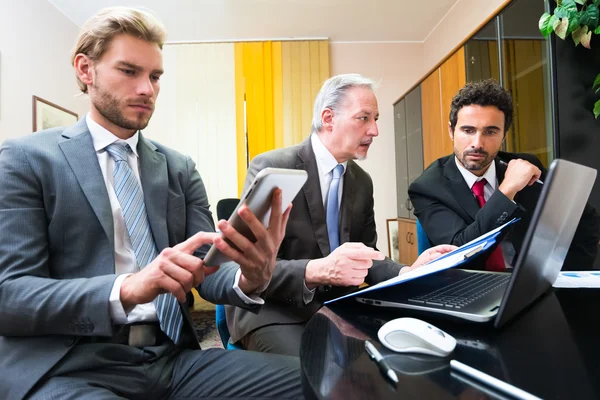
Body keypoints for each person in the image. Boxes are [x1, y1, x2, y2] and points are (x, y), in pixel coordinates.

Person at [0, 7, 305, 399]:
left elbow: (210, 271)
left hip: (171, 357)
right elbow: (10, 296)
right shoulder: (25, 159)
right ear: (85, 70)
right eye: (129, 72)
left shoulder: (179, 167)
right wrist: (127, 288)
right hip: (70, 364)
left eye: (155, 76)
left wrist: (253, 276)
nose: (147, 88)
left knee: (320, 382)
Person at [227, 74, 455, 356]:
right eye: (364, 118)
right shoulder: (273, 168)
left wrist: (407, 272)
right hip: (273, 309)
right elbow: (247, 265)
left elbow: (366, 254)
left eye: (376, 119)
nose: (375, 131)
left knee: (400, 356)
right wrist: (319, 270)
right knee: (312, 374)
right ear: (328, 118)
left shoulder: (361, 181)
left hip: (338, 306)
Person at [408, 79, 599, 271]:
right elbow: (461, 252)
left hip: (528, 284)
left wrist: (563, 275)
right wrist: (507, 190)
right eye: (468, 130)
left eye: (490, 132)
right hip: (469, 287)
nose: (477, 143)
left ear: (504, 136)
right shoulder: (428, 187)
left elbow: (585, 219)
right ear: (451, 131)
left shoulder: (526, 166)